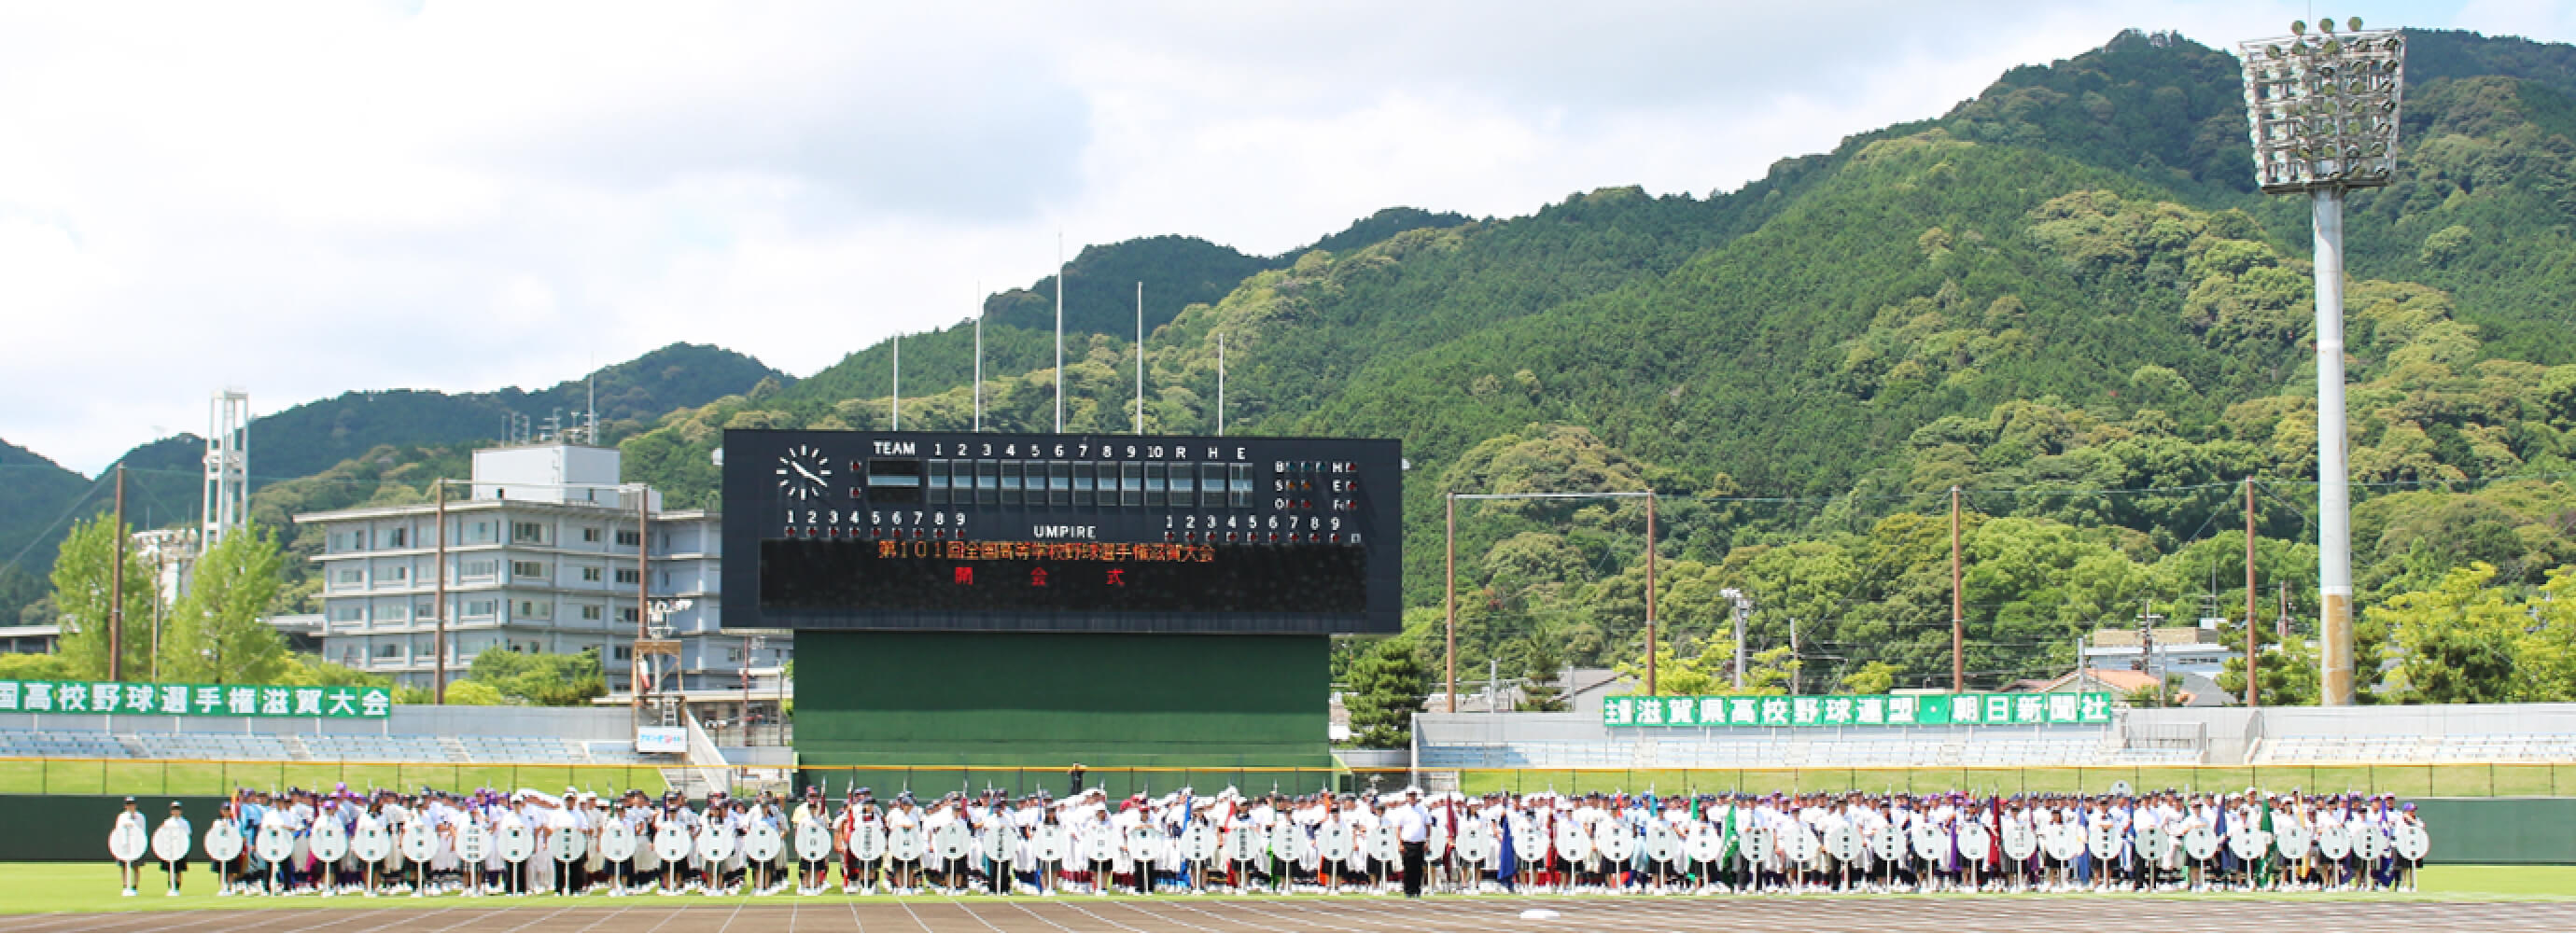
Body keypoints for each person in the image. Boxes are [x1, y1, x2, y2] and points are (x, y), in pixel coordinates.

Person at [1393, 788, 1430, 898]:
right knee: (1408, 867)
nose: (1412, 798)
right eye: (1410, 795)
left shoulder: (1423, 809)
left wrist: (1427, 841)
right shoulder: (1403, 810)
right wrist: (1400, 843)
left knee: (1418, 868)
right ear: (1407, 797)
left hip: (1419, 842)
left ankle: (1417, 890)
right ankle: (1408, 890)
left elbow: (1428, 825)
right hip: (1407, 842)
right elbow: (1398, 828)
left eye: (1413, 795)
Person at [113, 797, 147, 897]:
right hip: (124, 845)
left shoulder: (140, 817)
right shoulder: (122, 817)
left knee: (136, 867)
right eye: (128, 804)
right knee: (124, 867)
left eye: (132, 804)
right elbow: (118, 831)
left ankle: (135, 886)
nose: (130, 806)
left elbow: (142, 831)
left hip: (136, 845)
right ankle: (125, 885)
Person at [159, 801, 192, 896]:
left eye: (177, 809)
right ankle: (171, 887)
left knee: (178, 870)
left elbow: (187, 835)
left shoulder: (185, 823)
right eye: (174, 809)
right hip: (170, 850)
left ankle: (177, 887)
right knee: (170, 870)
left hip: (180, 849)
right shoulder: (167, 822)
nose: (176, 811)